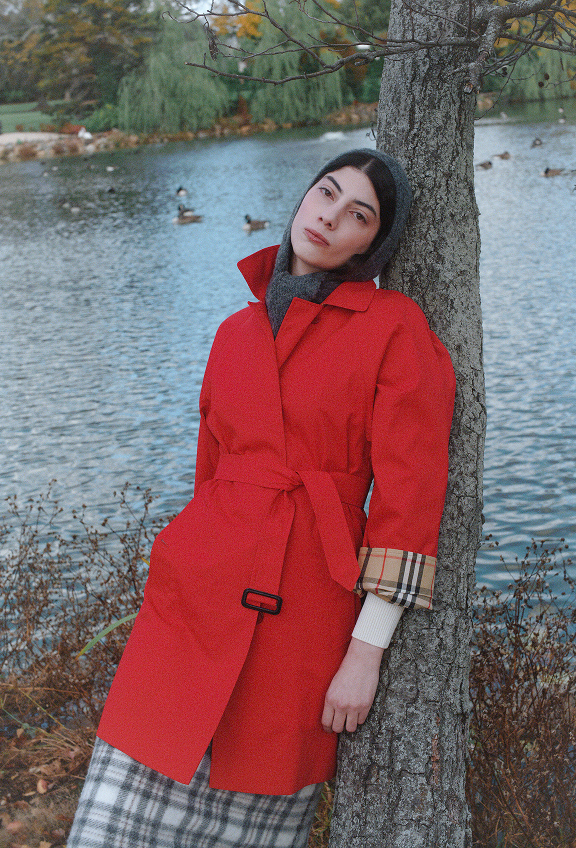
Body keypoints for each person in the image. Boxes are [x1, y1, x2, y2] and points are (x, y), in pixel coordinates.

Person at [66, 148, 455, 848]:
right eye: (326, 193)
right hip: (188, 613)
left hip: (301, 613)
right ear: (304, 196)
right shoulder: (234, 333)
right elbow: (208, 476)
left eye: (358, 215)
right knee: (106, 825)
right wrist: (182, 558)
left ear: (372, 245)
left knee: (255, 797)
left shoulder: (394, 327)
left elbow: (410, 499)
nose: (330, 217)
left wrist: (365, 652)